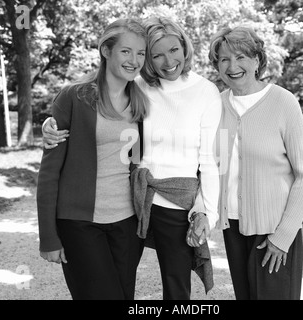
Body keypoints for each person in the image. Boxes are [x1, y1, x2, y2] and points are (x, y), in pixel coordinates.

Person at [41, 16, 222, 300]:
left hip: (153, 210)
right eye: (153, 54)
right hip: (109, 210)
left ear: (185, 48)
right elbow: (51, 171)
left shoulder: (179, 93)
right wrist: (50, 125)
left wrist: (206, 211)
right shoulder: (113, 89)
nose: (166, 61)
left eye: (173, 50)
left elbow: (209, 159)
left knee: (156, 291)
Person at [36, 18, 149, 300]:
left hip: (126, 224)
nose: (134, 60)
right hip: (80, 224)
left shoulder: (142, 101)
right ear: (106, 50)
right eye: (126, 51)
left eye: (141, 53)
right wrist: (48, 237)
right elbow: (49, 173)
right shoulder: (74, 97)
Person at [206, 26, 303, 300]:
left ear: (257, 60)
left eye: (241, 57)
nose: (233, 66)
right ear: (216, 65)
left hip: (274, 230)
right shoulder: (215, 106)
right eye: (224, 59)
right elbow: (212, 165)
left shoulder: (283, 102)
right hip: (233, 229)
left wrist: (283, 236)